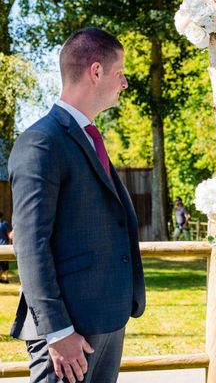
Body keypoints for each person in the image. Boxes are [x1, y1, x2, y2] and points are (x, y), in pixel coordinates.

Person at [8, 28, 146, 383]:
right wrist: (57, 331)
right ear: (96, 72)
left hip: (105, 321)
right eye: (120, 74)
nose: (125, 83)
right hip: (67, 335)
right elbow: (30, 243)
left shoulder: (88, 137)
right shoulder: (41, 142)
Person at [0, 212, 11, 284]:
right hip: (4, 245)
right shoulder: (4, 224)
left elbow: (8, 235)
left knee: (4, 262)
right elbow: (9, 235)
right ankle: (4, 278)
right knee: (5, 263)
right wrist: (10, 243)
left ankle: (4, 278)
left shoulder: (3, 224)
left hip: (3, 245)